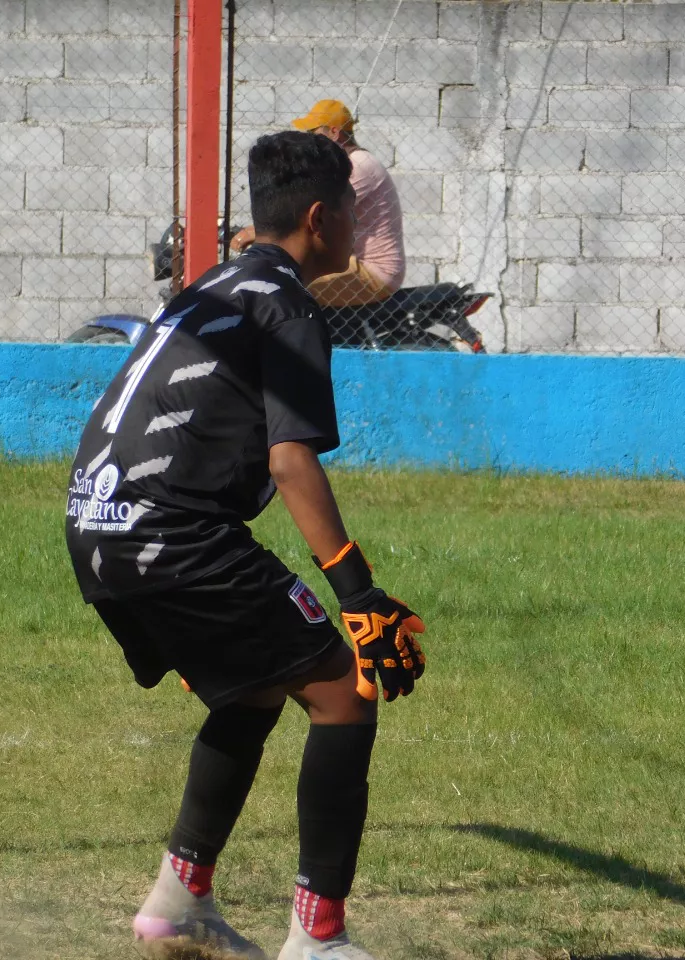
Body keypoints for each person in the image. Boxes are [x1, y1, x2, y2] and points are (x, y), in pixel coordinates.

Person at [64, 130, 427, 960]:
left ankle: (179, 897)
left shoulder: (217, 283)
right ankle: (318, 938)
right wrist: (360, 596)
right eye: (351, 211)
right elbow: (290, 460)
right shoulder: (289, 302)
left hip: (96, 524)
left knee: (257, 686)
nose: (355, 225)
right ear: (318, 217)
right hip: (170, 533)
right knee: (343, 692)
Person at [233, 100, 405, 308]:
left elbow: (308, 209)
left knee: (283, 282)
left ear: (334, 132)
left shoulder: (359, 164)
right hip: (353, 262)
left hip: (373, 270)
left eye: (314, 131)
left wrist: (255, 232)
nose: (310, 138)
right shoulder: (349, 163)